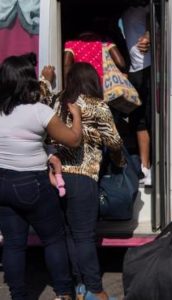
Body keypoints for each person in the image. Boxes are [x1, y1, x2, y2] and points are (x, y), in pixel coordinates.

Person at [0, 53, 82, 300]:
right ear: (28, 82)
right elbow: (73, 140)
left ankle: (18, 295)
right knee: (53, 239)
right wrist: (76, 117)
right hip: (32, 183)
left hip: (3, 182)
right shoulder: (39, 112)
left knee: (14, 244)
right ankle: (64, 293)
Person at [42, 62, 124, 300]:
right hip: (82, 177)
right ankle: (96, 291)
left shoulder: (57, 102)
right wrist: (120, 163)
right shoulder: (96, 105)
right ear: (93, 82)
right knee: (85, 236)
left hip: (56, 177)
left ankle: (80, 287)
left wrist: (45, 80)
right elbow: (115, 142)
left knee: (69, 234)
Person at [121, 2, 152, 186]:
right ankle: (145, 166)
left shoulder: (148, 9)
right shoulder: (126, 11)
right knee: (138, 119)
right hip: (135, 71)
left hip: (148, 69)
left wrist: (149, 35)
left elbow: (159, 24)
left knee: (149, 118)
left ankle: (154, 165)